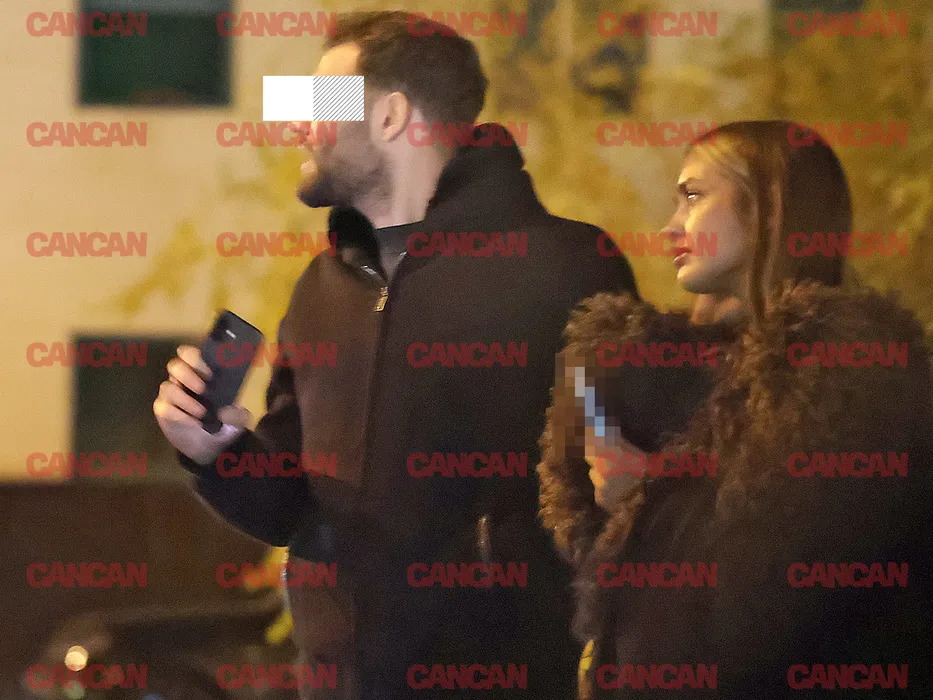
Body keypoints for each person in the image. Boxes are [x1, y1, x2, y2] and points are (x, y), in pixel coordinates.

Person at [153, 11, 638, 700]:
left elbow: (628, 495)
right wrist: (215, 453)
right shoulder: (322, 288)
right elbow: (295, 511)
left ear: (389, 116)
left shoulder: (565, 268)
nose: (298, 127)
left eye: (320, 104)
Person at [538, 121, 933, 698]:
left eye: (694, 197)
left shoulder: (849, 382)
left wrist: (642, 499)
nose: (671, 225)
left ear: (771, 209)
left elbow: (754, 612)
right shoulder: (655, 377)